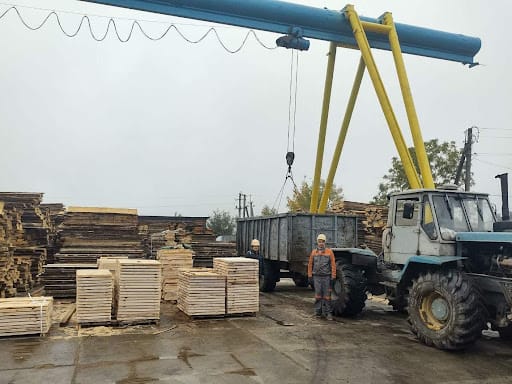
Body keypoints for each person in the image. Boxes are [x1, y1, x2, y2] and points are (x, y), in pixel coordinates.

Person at [307, 233, 336, 320]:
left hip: (326, 277)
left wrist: (333, 276)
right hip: (316, 277)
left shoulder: (329, 252)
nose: (321, 243)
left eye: (323, 242)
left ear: (325, 243)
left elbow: (333, 265)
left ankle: (328, 313)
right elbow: (310, 264)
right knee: (318, 295)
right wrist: (310, 275)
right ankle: (318, 312)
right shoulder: (313, 252)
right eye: (319, 242)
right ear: (317, 242)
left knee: (327, 296)